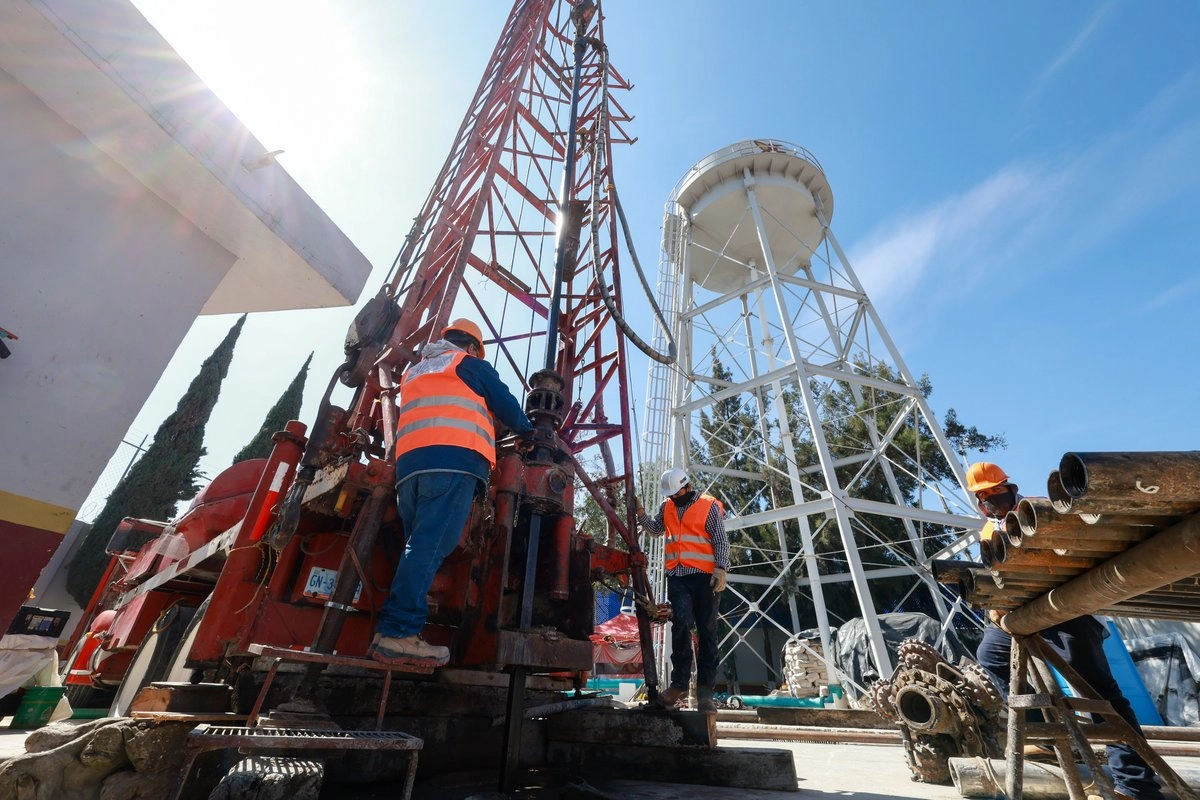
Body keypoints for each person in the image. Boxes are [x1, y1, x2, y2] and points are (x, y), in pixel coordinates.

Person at [968, 462, 1163, 800]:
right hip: (1020, 613)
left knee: (1098, 694)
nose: (991, 500)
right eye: (984, 497)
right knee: (991, 654)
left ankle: (1137, 786)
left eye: (996, 492)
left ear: (1009, 488)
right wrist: (995, 608)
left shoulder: (1039, 512)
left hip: (1064, 607)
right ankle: (1041, 732)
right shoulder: (987, 533)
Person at [372, 318, 533, 667]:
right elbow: (508, 408)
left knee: (418, 546)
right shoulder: (470, 365)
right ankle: (398, 634)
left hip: (409, 471)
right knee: (429, 547)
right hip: (453, 462)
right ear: (473, 347)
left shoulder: (414, 373)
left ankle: (396, 630)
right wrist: (530, 432)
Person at [636, 468, 729, 712]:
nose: (673, 500)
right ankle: (678, 684)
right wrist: (641, 514)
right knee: (681, 626)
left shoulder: (708, 506)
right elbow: (657, 529)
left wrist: (721, 568)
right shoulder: (667, 506)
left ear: (687, 487)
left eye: (676, 495)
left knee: (708, 631)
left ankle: (705, 693)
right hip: (677, 576)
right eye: (671, 497)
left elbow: (720, 539)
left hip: (705, 577)